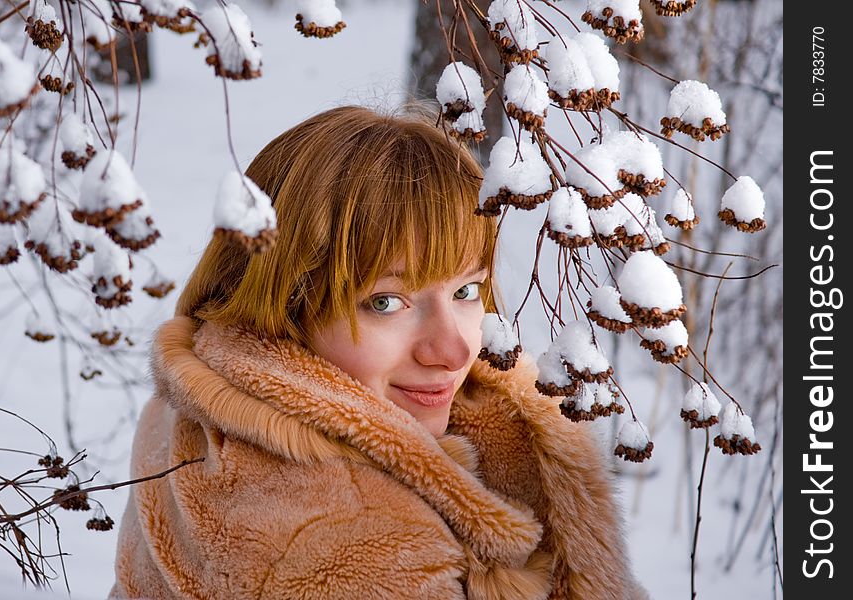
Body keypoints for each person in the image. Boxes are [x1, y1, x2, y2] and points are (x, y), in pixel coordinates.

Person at [111, 105, 647, 599]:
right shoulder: (347, 543)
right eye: (386, 301)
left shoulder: (203, 409)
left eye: (465, 291)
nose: (453, 349)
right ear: (282, 302)